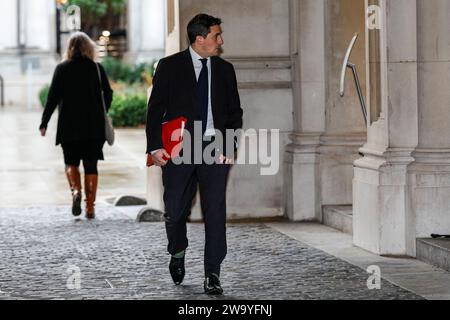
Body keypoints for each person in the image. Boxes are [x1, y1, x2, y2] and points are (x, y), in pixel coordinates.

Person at [146, 13, 243, 295]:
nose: (220, 41)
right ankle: (177, 250)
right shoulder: (169, 66)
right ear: (199, 40)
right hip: (179, 147)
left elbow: (235, 113)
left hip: (215, 146)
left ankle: (212, 273)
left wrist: (229, 146)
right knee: (174, 209)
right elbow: (155, 109)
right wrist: (155, 146)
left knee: (215, 211)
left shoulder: (225, 69)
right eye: (216, 36)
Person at [39, 32, 113, 219]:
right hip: (93, 126)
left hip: (69, 125)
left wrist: (44, 122)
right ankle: (90, 207)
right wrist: (102, 110)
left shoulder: (62, 69)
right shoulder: (96, 68)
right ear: (89, 48)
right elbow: (109, 93)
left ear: (69, 48)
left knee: (70, 162)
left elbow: (52, 98)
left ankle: (75, 192)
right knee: (91, 165)